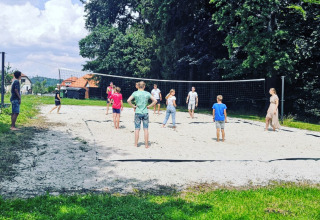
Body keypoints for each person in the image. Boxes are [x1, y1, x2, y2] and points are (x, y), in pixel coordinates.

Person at [127, 81, 157, 148]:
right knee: (146, 129)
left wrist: (133, 106)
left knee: (137, 129)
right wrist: (149, 106)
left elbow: (128, 100)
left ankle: (136, 144)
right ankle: (146, 145)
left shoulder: (135, 93)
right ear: (144, 86)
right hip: (145, 112)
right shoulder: (147, 93)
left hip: (138, 112)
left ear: (138, 86)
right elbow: (155, 101)